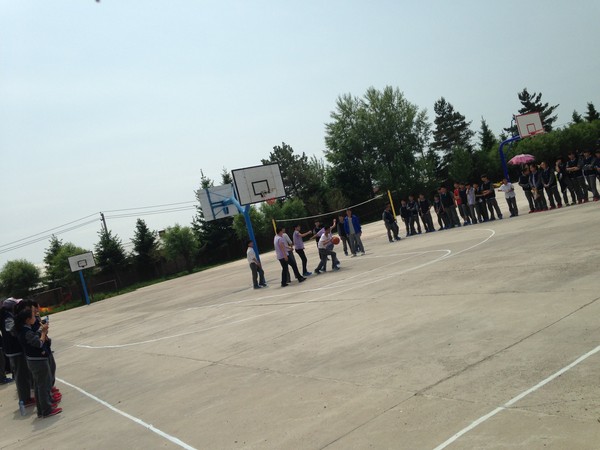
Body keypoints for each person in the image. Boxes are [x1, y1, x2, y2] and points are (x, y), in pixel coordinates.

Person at [15, 305, 62, 418]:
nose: (35, 318)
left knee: (38, 385)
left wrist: (41, 331)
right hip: (38, 361)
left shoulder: (25, 330)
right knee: (43, 385)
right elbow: (39, 343)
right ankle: (46, 409)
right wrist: (43, 333)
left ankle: (41, 409)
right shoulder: (26, 332)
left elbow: (35, 337)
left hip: (34, 361)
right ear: (27, 320)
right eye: (32, 316)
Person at [0, 298, 35, 410]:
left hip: (14, 348)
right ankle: (25, 399)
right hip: (14, 349)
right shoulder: (7, 316)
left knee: (23, 373)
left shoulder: (8, 315)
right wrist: (20, 328)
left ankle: (26, 397)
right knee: (21, 375)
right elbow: (11, 331)